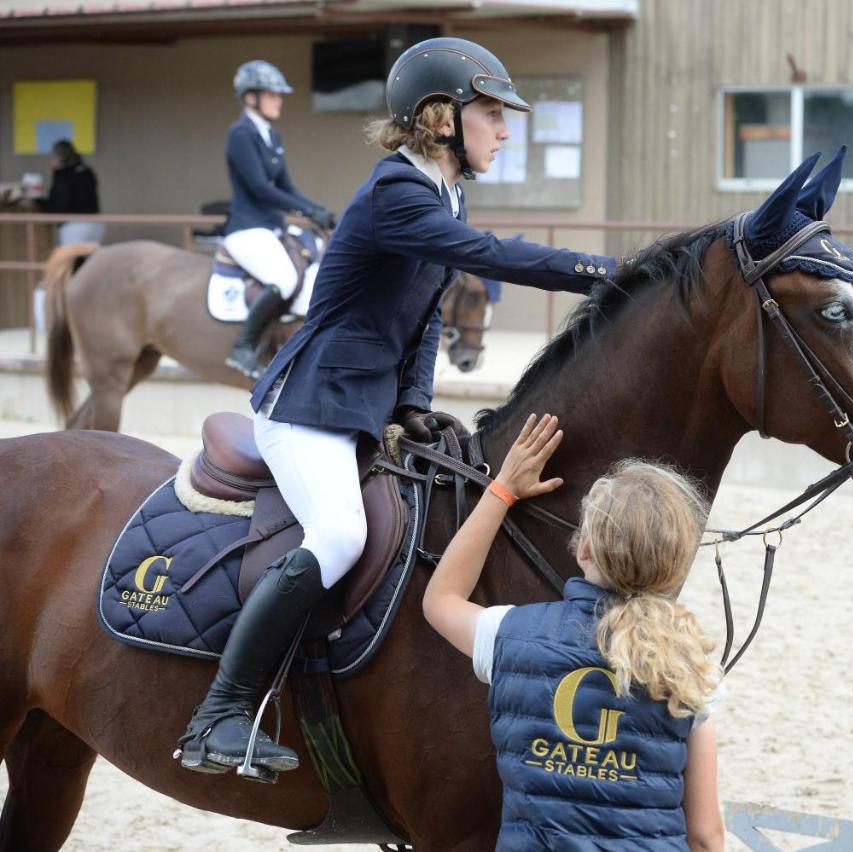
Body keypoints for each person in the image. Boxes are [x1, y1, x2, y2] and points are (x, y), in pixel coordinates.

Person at [174, 37, 616, 778]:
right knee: (341, 535)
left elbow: (427, 312)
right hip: (308, 405)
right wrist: (608, 275)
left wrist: (413, 405)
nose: (505, 130)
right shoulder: (396, 192)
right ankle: (216, 715)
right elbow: (488, 256)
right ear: (442, 119)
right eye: (494, 115)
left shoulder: (445, 192)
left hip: (363, 404)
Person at [423, 413, 725, 851]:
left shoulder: (510, 634)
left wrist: (502, 488)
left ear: (583, 547)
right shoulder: (691, 668)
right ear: (676, 565)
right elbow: (705, 836)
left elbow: (440, 600)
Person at [223, 59, 338, 379]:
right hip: (247, 228)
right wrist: (305, 211)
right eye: (272, 94)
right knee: (283, 279)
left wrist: (318, 211)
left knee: (316, 258)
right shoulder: (241, 134)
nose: (280, 100)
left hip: (271, 225)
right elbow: (260, 188)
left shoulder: (271, 134)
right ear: (250, 98)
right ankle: (243, 348)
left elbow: (285, 187)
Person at [42, 139, 103, 245]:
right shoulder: (86, 170)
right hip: (96, 224)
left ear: (60, 158)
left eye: (53, 157)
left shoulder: (64, 176)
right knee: (91, 260)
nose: (51, 161)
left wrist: (46, 208)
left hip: (75, 226)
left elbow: (61, 202)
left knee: (71, 260)